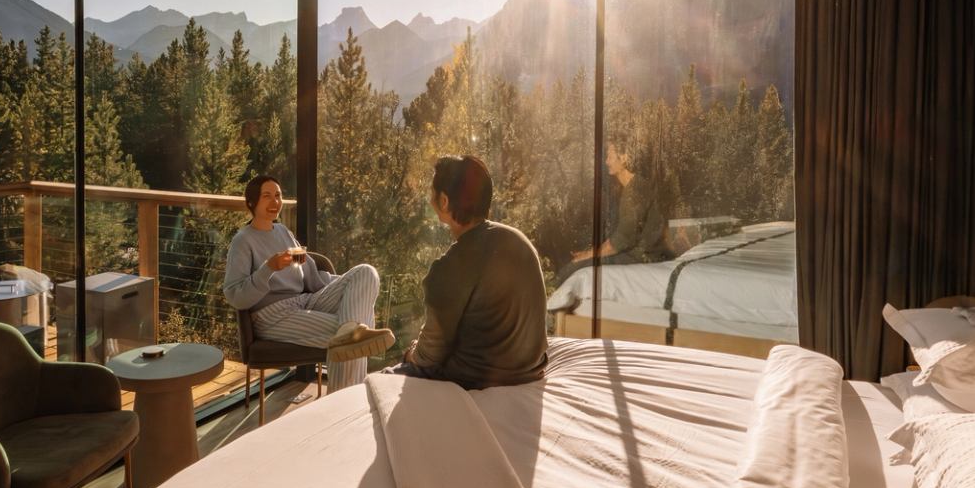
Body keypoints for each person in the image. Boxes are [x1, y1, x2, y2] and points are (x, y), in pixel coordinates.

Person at [222, 174, 393, 391]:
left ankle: (349, 334)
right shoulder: (242, 241)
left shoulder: (283, 231)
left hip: (305, 302)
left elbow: (311, 274)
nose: (275, 202)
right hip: (272, 315)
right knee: (351, 338)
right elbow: (235, 295)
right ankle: (343, 405)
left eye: (278, 195)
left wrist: (349, 285)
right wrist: (269, 268)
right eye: (267, 196)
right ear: (251, 202)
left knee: (366, 272)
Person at [399, 154, 548, 390]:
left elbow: (429, 356)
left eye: (431, 194)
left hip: (473, 378)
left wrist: (410, 355)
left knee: (386, 378)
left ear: (444, 201)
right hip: (530, 371)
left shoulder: (449, 267)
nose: (429, 201)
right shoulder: (518, 241)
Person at [566, 141, 670, 275]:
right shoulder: (630, 187)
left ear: (624, 158)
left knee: (576, 267)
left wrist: (587, 255)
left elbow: (621, 240)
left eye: (610, 156)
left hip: (646, 258)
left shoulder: (635, 191)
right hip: (639, 254)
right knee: (580, 264)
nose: (606, 162)